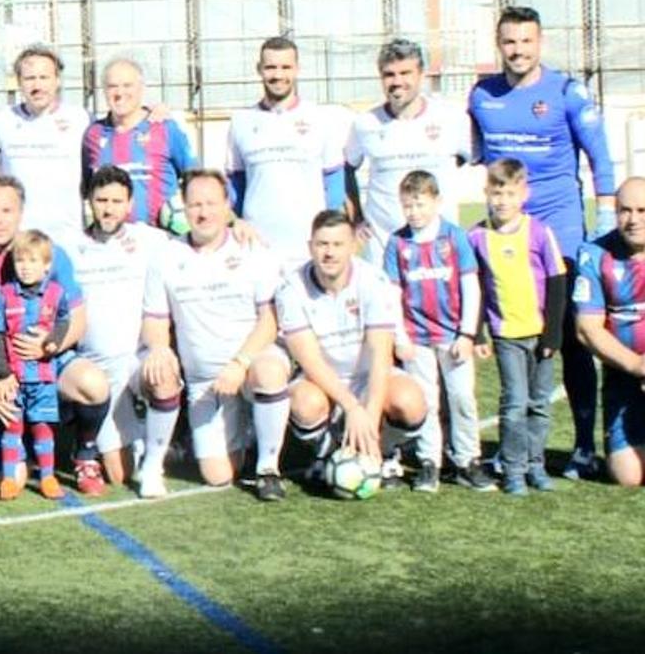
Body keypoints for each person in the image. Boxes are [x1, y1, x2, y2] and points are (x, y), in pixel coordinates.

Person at [468, 6, 615, 480]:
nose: (518, 50)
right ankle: (509, 449)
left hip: (560, 235)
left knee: (570, 338)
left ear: (540, 42)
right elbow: (469, 153)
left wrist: (604, 219)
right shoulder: (482, 96)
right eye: (510, 42)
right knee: (505, 333)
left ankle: (581, 447)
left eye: (526, 41)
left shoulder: (567, 92)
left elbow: (601, 158)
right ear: (499, 45)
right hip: (503, 238)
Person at [0, 176, 111, 495]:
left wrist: (51, 345)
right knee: (11, 477)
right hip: (0, 379)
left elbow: (78, 318)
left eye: (7, 210)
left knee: (94, 384)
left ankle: (84, 452)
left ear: (21, 214)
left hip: (48, 366)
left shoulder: (48, 254)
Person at [140, 170, 291, 500]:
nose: (203, 212)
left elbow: (269, 320)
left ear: (227, 207)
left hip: (250, 363)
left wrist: (240, 362)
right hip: (205, 380)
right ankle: (247, 432)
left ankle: (268, 468)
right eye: (195, 204)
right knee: (218, 475)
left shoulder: (251, 248)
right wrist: (160, 348)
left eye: (211, 203)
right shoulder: (166, 255)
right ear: (184, 208)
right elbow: (155, 319)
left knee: (268, 372)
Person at [278, 209, 427, 491]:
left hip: (368, 375)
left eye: (338, 244)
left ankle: (383, 449)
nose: (330, 253)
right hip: (322, 381)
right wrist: (350, 406)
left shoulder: (373, 281)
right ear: (310, 246)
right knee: (304, 404)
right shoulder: (291, 288)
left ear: (352, 246)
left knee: (411, 402)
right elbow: (309, 360)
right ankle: (326, 450)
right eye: (322, 244)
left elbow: (380, 354)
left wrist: (368, 416)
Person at [382, 171, 492, 492]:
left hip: (452, 336)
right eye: (408, 206)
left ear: (436, 202)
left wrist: (467, 333)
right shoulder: (397, 242)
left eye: (420, 204)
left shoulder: (454, 237)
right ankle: (430, 460)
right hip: (417, 338)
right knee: (427, 400)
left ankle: (467, 459)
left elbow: (470, 286)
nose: (414, 212)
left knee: (461, 397)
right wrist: (399, 337)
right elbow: (392, 293)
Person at [468, 159, 566, 496]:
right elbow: (475, 287)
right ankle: (512, 470)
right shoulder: (477, 236)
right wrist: (478, 332)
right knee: (514, 402)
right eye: (496, 193)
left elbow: (557, 280)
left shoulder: (539, 231)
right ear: (486, 193)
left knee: (539, 402)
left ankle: (534, 465)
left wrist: (553, 333)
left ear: (524, 194)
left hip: (540, 334)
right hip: (505, 335)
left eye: (510, 193)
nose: (502, 201)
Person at [71, 165, 170, 486]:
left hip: (139, 359)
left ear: (129, 204)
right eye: (101, 200)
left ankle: (153, 463)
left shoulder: (150, 240)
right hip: (100, 370)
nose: (108, 208)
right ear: (89, 201)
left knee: (166, 374)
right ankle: (138, 433)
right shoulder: (71, 247)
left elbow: (198, 241)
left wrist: (235, 223)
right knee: (119, 475)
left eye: (116, 201)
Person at [225, 37, 351, 268]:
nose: (278, 75)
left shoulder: (320, 118)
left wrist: (329, 237)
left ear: (297, 70)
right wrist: (236, 223)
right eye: (271, 67)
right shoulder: (241, 121)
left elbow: (334, 185)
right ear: (259, 70)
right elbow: (235, 187)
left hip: (308, 247)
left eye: (285, 67)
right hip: (256, 247)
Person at [346, 40, 471, 265]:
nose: (397, 82)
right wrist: (356, 219)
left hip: (440, 248)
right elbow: (347, 168)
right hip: (385, 247)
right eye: (389, 74)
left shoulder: (451, 118)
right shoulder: (365, 123)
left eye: (405, 73)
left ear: (421, 74)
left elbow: (467, 157)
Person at [0, 230, 72, 500]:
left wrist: (53, 342)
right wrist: (2, 372)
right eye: (20, 261)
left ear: (46, 265)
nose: (25, 267)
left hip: (44, 377)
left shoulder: (56, 294)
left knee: (42, 426)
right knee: (12, 426)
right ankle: (10, 479)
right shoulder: (4, 296)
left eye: (33, 261)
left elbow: (63, 321)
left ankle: (47, 477)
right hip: (15, 378)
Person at [573, 178, 645, 487]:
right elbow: (586, 330)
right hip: (623, 376)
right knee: (628, 477)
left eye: (643, 210)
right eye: (625, 211)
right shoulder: (594, 254)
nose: (633, 219)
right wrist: (638, 366)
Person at [82, 57, 198, 232]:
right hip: (112, 243)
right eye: (113, 86)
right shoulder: (93, 134)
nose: (120, 93)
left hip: (161, 241)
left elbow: (196, 177)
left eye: (127, 85)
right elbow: (86, 186)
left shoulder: (165, 128)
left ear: (141, 88)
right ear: (104, 91)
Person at [0, 45, 90, 248]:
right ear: (19, 82)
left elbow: (116, 128)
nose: (37, 85)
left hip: (69, 241)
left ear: (57, 80)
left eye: (44, 77)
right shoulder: (1, 120)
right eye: (30, 79)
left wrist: (150, 110)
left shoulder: (79, 118)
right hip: (19, 243)